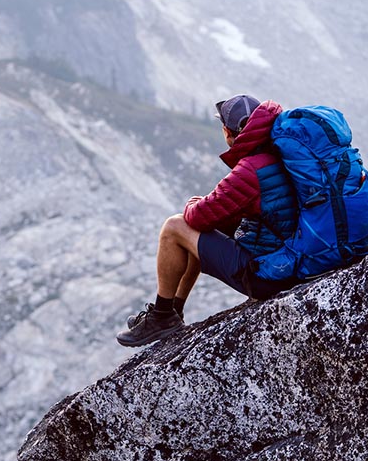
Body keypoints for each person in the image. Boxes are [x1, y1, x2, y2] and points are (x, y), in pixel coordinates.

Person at [116, 94, 300, 347]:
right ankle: (173, 310)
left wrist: (194, 202)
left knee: (175, 227)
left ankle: (162, 315)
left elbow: (198, 216)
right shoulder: (282, 155)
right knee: (205, 227)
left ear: (227, 131)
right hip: (292, 261)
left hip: (269, 275)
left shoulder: (251, 169)